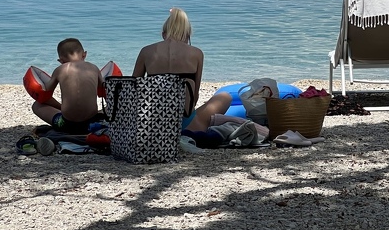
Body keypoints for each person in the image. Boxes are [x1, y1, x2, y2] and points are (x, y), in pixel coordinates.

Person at [133, 8, 267, 138]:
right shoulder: (196, 53)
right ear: (187, 34)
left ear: (163, 33)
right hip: (186, 124)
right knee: (225, 97)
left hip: (151, 123)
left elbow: (133, 90)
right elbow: (194, 97)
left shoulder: (146, 51)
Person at [31, 38, 106, 133]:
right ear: (84, 54)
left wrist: (60, 107)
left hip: (67, 125)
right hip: (92, 122)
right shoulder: (94, 68)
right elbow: (103, 91)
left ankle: (62, 114)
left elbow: (45, 95)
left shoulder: (60, 70)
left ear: (61, 60)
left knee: (37, 105)